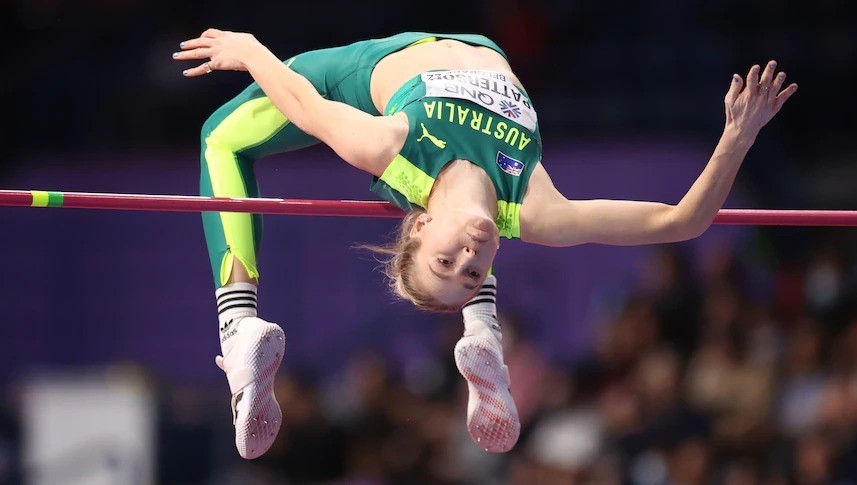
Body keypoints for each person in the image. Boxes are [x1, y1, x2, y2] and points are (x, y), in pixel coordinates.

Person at [173, 28, 796, 459]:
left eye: (450, 260)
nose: (473, 255)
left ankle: (238, 323)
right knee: (474, 219)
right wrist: (737, 138)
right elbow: (681, 222)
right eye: (473, 274)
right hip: (481, 51)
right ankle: (483, 334)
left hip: (371, 71)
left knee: (218, 138)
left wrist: (251, 50)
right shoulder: (535, 209)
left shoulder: (388, 145)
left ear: (417, 226)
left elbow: (304, 103)